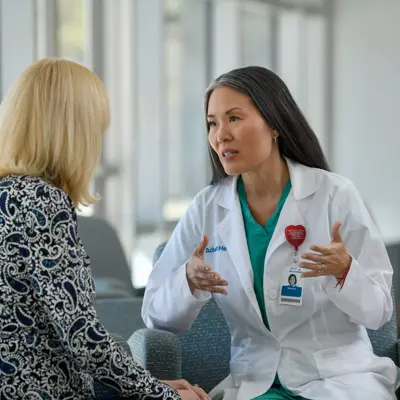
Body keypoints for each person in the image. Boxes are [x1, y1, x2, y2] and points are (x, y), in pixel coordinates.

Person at [142, 66, 398, 400]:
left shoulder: (335, 195)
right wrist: (187, 282)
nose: (221, 135)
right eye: (212, 123)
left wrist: (345, 271)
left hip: (338, 379)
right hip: (254, 382)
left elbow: (379, 312)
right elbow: (155, 318)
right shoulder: (207, 208)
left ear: (275, 123)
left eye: (234, 118)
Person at [0, 58, 209, 400]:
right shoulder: (43, 203)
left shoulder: (9, 194)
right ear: (73, 131)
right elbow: (83, 339)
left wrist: (148, 386)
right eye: (96, 129)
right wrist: (161, 395)